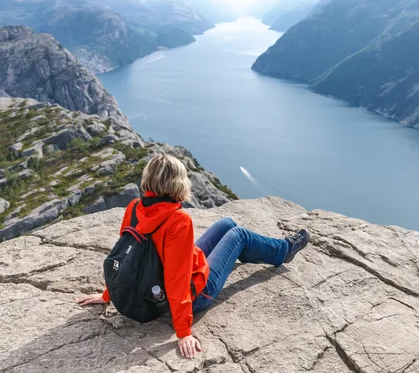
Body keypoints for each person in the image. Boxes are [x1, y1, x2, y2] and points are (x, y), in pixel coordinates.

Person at [76, 154, 310, 359]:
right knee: (239, 235)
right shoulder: (179, 220)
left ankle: (254, 252)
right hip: (194, 293)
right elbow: (177, 280)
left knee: (226, 223)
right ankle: (282, 251)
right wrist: (183, 332)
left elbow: (125, 258)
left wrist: (110, 294)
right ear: (178, 183)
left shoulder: (135, 207)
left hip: (156, 280)